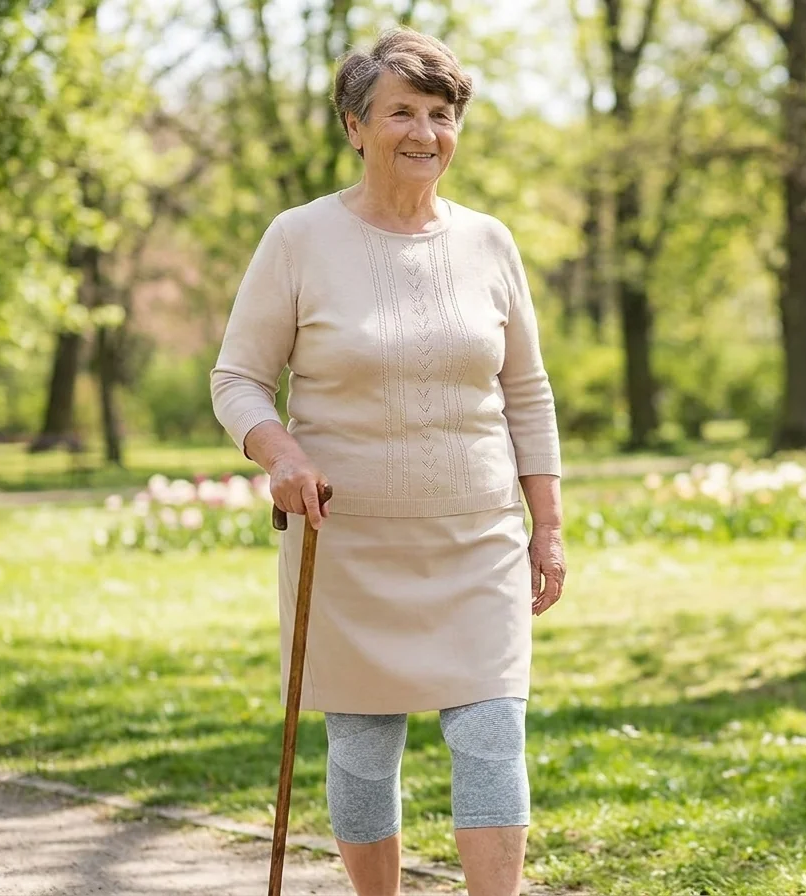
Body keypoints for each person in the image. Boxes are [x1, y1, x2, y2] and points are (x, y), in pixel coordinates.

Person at [209, 26, 566, 896]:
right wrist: (279, 452)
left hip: (476, 535)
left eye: (442, 115)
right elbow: (238, 379)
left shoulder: (490, 242)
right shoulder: (298, 238)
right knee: (365, 751)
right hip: (348, 540)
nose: (424, 132)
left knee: (492, 738)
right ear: (353, 125)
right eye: (401, 111)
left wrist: (546, 528)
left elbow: (528, 394)